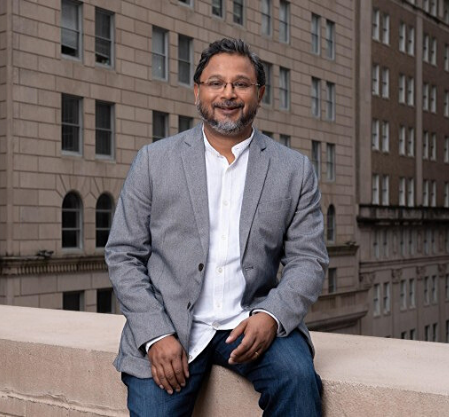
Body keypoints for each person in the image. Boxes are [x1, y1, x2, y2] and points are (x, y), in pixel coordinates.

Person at [105, 38, 328, 416]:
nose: (228, 94)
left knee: (298, 381)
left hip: (251, 320)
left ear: (259, 93)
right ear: (197, 91)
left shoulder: (293, 169)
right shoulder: (153, 161)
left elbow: (309, 260)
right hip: (171, 323)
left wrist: (271, 316)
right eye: (215, 83)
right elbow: (123, 254)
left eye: (241, 84)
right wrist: (156, 334)